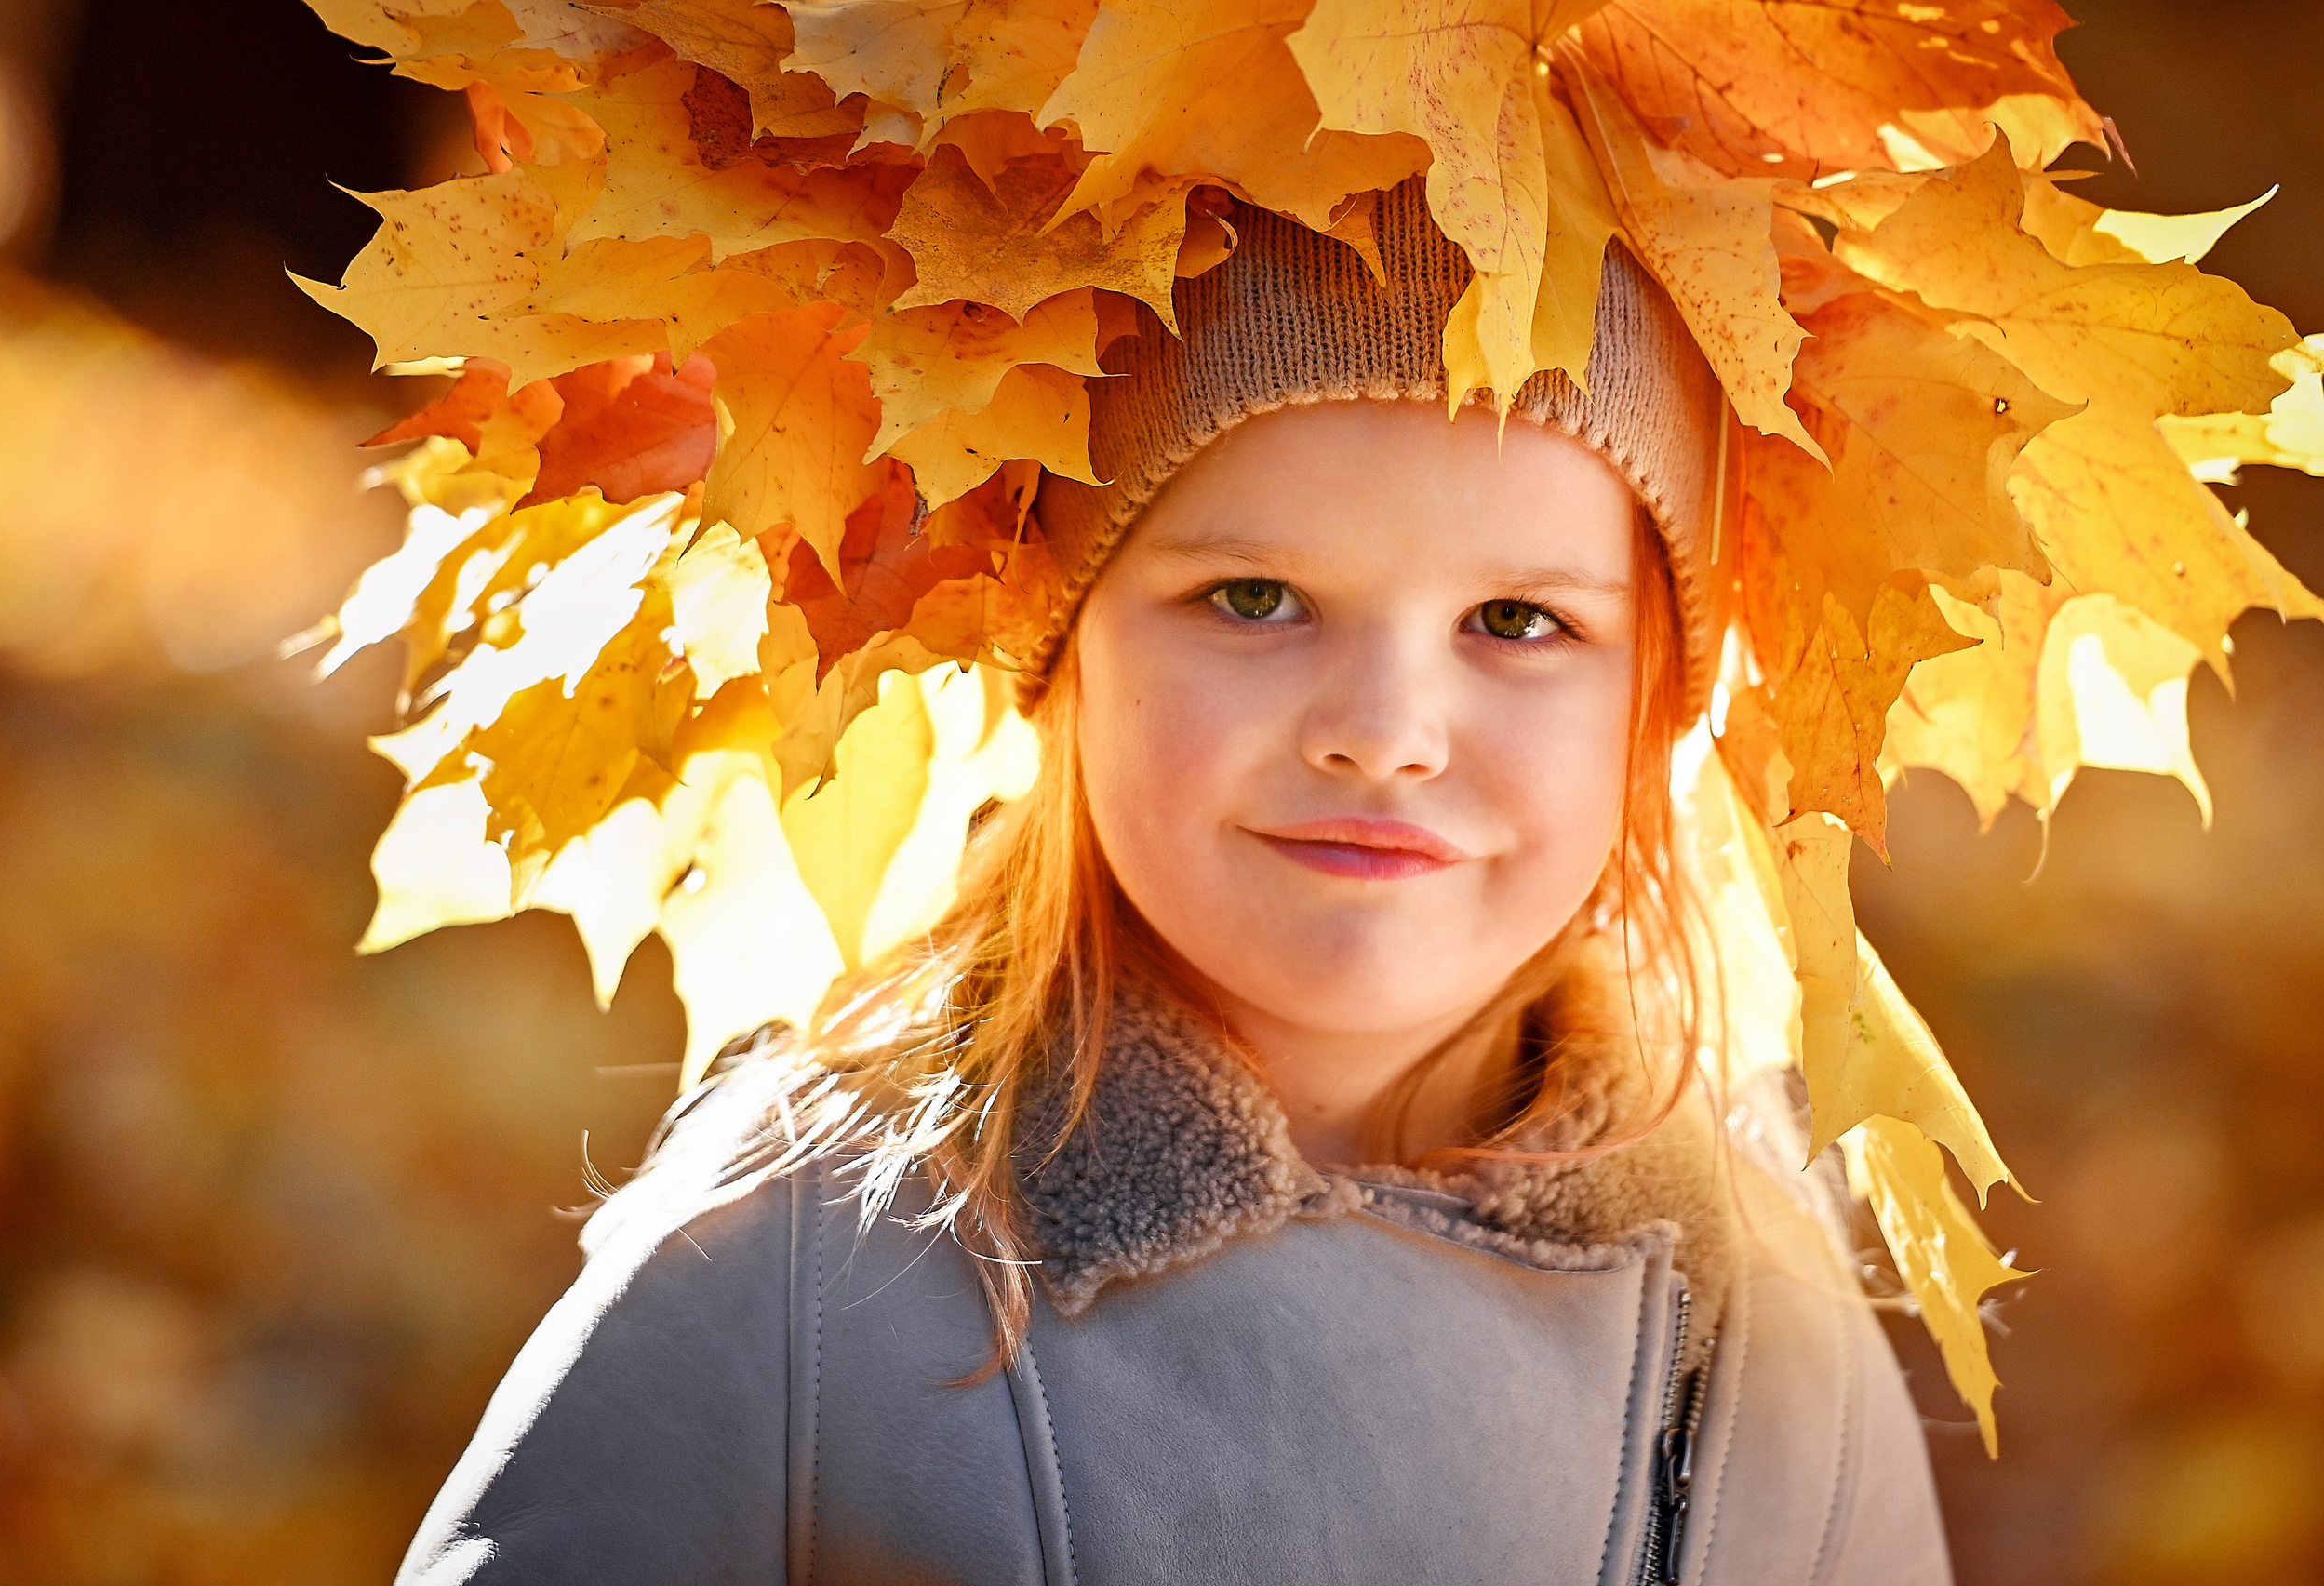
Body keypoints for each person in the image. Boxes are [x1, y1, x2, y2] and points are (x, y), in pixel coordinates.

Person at [394, 185, 1950, 1585]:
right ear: (1065, 646)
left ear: (1655, 704)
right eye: (1255, 597)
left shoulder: (1764, 1325)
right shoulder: (806, 1261)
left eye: (1520, 620)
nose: (1385, 735)